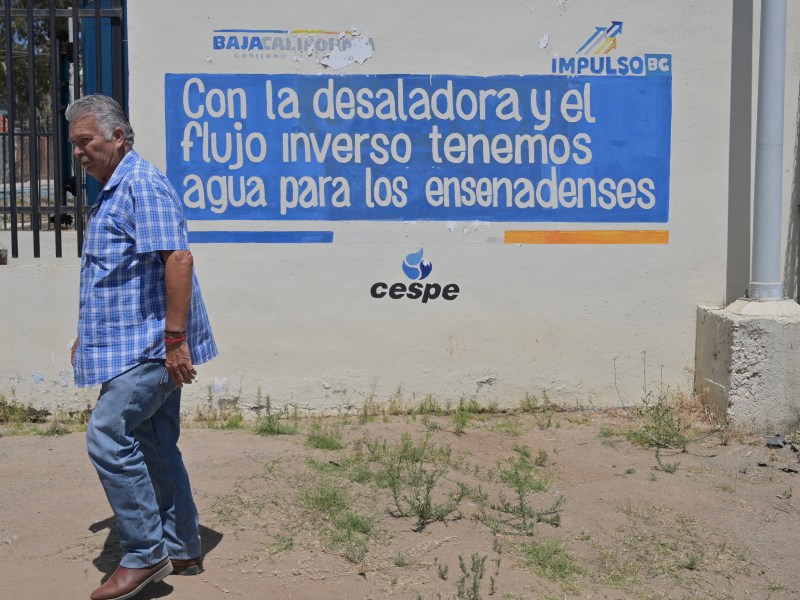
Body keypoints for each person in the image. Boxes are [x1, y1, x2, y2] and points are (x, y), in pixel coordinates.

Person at [67, 94, 218, 600]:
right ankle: (183, 545)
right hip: (130, 342)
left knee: (108, 435)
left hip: (150, 348)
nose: (79, 153)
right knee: (153, 442)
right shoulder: (117, 188)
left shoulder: (141, 183)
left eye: (85, 142)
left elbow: (178, 259)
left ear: (117, 138)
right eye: (74, 145)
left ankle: (145, 554)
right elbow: (118, 275)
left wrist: (175, 341)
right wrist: (86, 336)